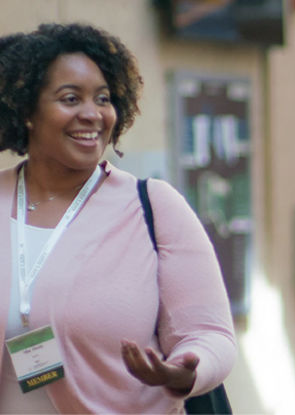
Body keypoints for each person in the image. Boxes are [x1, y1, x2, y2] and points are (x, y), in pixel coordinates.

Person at [0, 23, 236, 413]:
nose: (92, 114)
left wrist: (183, 372)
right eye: (71, 98)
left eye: (103, 98)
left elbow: (210, 334)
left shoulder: (153, 207)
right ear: (26, 110)